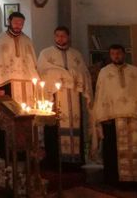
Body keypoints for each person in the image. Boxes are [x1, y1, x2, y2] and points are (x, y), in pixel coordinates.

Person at [92, 44, 137, 184]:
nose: (116, 56)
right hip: (111, 117)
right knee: (112, 149)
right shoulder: (104, 72)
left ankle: (136, 179)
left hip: (134, 116)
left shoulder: (134, 71)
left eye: (118, 53)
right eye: (113, 54)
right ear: (110, 55)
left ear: (124, 54)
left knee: (136, 147)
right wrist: (103, 114)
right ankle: (114, 179)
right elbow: (101, 94)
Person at [37, 26, 93, 167]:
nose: (60, 38)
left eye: (63, 36)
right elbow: (42, 73)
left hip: (74, 96)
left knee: (75, 123)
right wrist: (62, 74)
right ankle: (55, 161)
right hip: (54, 96)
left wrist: (73, 74)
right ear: (54, 36)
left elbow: (84, 73)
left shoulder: (76, 55)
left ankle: (75, 161)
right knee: (54, 125)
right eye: (57, 35)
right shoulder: (46, 54)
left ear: (68, 37)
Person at [0, 11, 39, 104]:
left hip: (26, 82)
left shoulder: (27, 41)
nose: (18, 26)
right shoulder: (0, 40)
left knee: (27, 108)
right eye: (16, 22)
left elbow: (33, 63)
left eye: (21, 24)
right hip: (6, 83)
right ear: (9, 21)